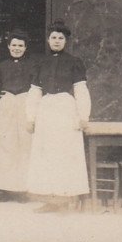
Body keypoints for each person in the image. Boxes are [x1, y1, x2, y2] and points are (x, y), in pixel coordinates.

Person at [25, 20, 91, 212]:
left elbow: (81, 90)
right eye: (53, 37)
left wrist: (83, 116)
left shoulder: (74, 62)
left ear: (66, 41)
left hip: (65, 110)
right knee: (46, 154)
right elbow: (35, 91)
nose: (56, 41)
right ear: (48, 40)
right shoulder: (41, 62)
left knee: (64, 153)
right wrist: (31, 117)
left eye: (60, 38)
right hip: (46, 110)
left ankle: (66, 200)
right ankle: (50, 201)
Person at [0, 29, 36, 202]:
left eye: (20, 45)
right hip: (6, 106)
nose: (17, 48)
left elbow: (36, 91)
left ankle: (23, 189)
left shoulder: (32, 66)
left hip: (25, 104)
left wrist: (33, 115)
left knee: (25, 146)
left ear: (25, 47)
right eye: (14, 45)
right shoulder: (1, 67)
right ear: (8, 46)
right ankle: (6, 189)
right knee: (5, 147)